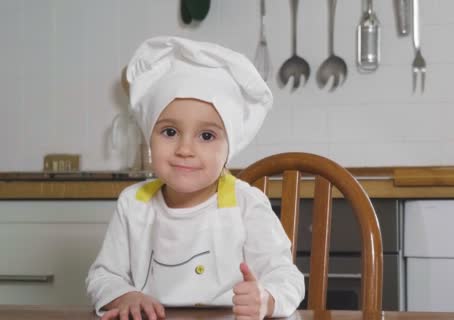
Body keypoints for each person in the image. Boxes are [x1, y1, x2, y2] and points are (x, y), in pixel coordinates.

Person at [86, 36, 305, 320]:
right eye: (169, 132)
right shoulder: (134, 203)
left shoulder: (246, 203)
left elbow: (286, 276)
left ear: (230, 147)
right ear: (148, 136)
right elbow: (104, 275)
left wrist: (268, 299)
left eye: (206, 136)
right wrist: (125, 295)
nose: (185, 149)